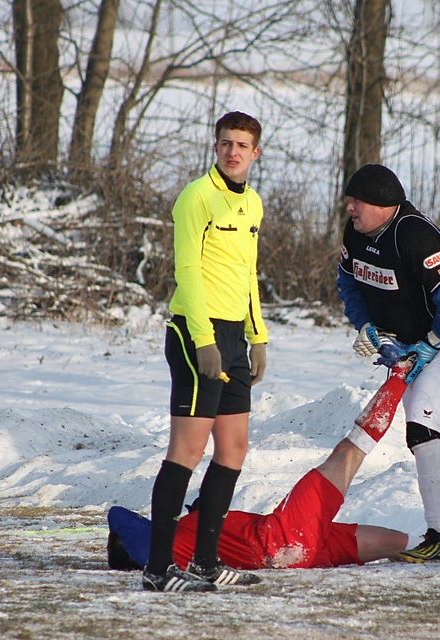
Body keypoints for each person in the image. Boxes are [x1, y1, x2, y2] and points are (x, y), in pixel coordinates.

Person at [108, 362, 440, 574]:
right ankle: (399, 376)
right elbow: (118, 516)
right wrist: (126, 542)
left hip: (295, 553)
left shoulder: (180, 541)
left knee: (400, 543)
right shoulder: (159, 543)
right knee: (349, 452)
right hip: (280, 537)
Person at [142, 111, 270, 593]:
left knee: (233, 449)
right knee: (188, 450)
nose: (232, 152)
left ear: (255, 153)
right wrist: (203, 340)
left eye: (241, 145)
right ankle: (157, 569)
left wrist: (257, 337)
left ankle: (205, 563)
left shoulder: (253, 203)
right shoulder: (197, 197)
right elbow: (188, 272)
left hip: (236, 336)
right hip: (198, 335)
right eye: (225, 143)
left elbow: (247, 273)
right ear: (215, 147)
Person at [336, 163, 440, 563]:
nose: (350, 207)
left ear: (385, 205)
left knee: (423, 426)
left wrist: (429, 345)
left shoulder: (416, 234)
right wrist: (368, 325)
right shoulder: (357, 232)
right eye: (350, 199)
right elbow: (348, 281)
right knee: (430, 434)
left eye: (358, 201)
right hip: (409, 343)